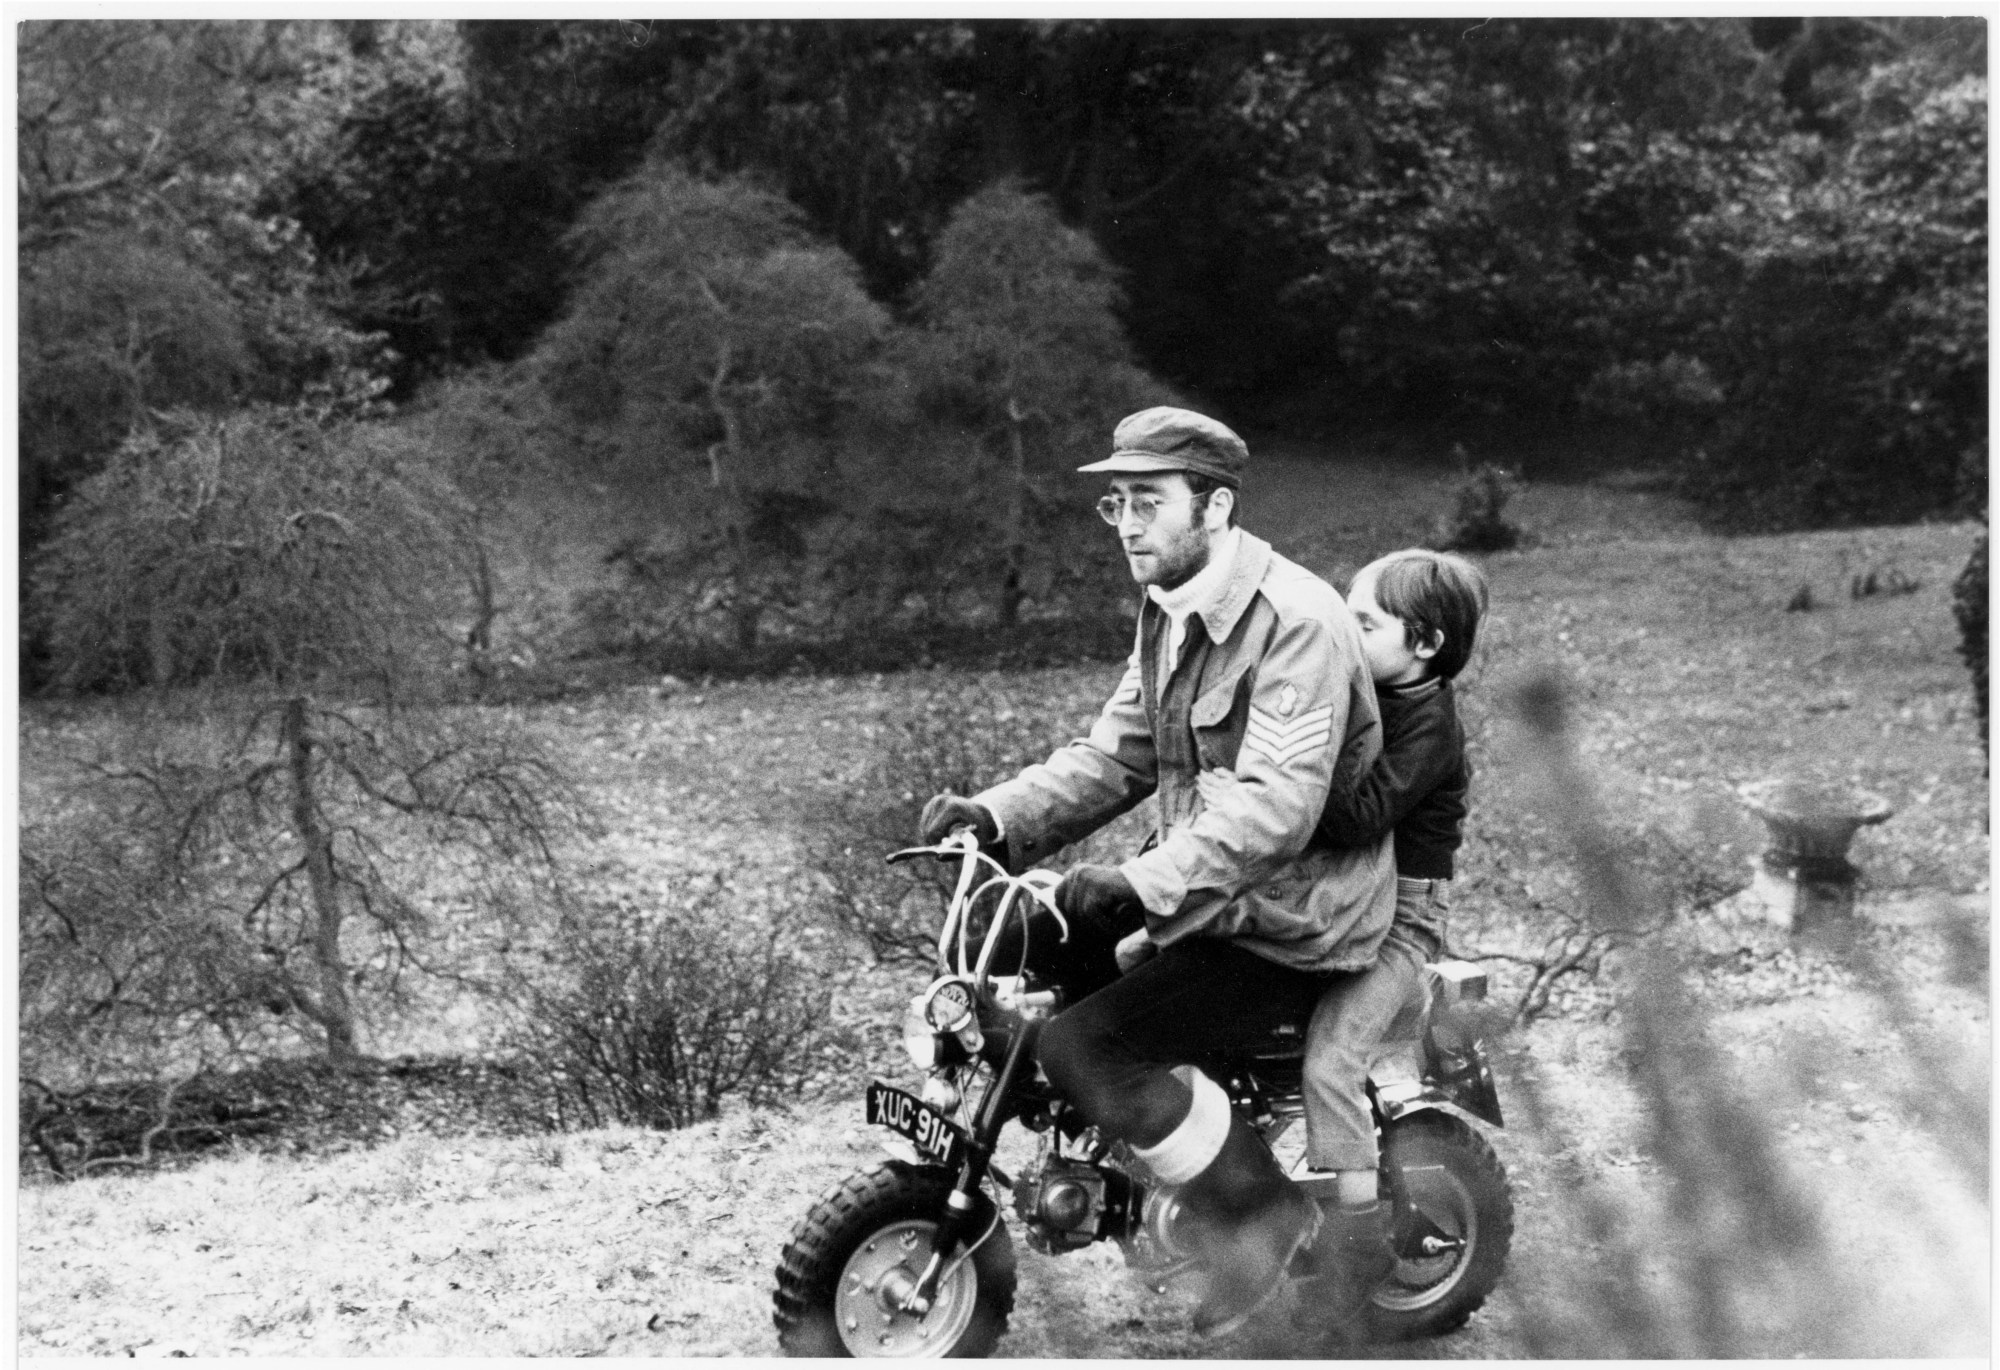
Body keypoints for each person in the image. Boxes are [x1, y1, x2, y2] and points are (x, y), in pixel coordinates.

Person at [917, 406, 1397, 1337]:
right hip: (1208, 892)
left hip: (1293, 917)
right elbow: (1117, 755)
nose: (1128, 523)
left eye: (1149, 501)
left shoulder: (1298, 624)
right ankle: (1133, 1150)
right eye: (1117, 504)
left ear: (1214, 506)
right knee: (1013, 941)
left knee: (1089, 1047)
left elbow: (1276, 809)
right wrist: (995, 816)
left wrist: (1138, 886)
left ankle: (1265, 1219)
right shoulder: (1171, 607)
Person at [1209, 547, 1488, 1320]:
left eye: (1363, 621)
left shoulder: (1429, 723)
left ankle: (1359, 1238)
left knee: (1332, 1061)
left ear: (1425, 644)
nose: (1344, 630)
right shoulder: (1374, 691)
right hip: (1341, 900)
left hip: (1403, 920)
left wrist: (1291, 782)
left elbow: (1361, 814)